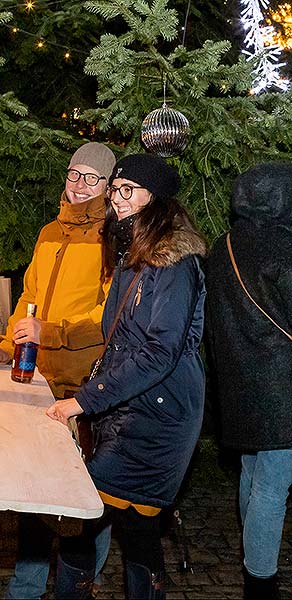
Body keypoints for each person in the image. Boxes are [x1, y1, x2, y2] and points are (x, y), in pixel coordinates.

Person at [46, 154, 207, 599]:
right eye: (115, 189)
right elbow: (117, 339)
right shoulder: (134, 254)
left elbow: (159, 352)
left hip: (159, 417)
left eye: (127, 190)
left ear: (154, 199)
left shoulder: (173, 264)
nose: (115, 200)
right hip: (130, 410)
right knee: (134, 528)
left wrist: (84, 401)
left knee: (85, 516)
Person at [0, 142, 116, 599]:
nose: (78, 185)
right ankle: (26, 589)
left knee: (83, 493)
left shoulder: (112, 238)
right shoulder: (48, 232)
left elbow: (107, 315)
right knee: (33, 488)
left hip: (85, 380)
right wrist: (5, 344)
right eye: (74, 174)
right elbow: (28, 300)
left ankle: (81, 585)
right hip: (38, 377)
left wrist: (50, 332)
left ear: (107, 186)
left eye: (90, 179)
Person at [203, 163, 292, 600]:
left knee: (252, 474)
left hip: (240, 383)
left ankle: (252, 564)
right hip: (283, 389)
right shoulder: (284, 246)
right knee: (274, 485)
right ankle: (261, 582)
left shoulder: (223, 247)